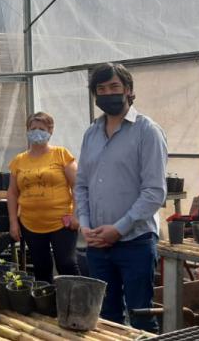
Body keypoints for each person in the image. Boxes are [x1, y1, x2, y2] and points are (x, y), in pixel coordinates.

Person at [74, 63, 167, 333]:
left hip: (135, 242)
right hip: (97, 245)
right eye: (101, 89)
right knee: (106, 315)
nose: (108, 93)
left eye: (114, 87)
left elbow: (154, 192)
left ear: (128, 90)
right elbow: (82, 185)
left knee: (140, 315)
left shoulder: (147, 132)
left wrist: (119, 228)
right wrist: (85, 224)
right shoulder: (91, 133)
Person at [7, 111, 80, 283]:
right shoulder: (18, 161)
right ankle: (47, 305)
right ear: (27, 131)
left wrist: (77, 214)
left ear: (50, 131)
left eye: (41, 128)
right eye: (33, 128)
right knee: (41, 266)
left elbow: (77, 185)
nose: (37, 132)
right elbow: (12, 192)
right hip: (30, 222)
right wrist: (13, 222)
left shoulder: (61, 154)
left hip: (62, 222)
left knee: (66, 263)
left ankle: (75, 301)